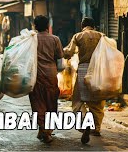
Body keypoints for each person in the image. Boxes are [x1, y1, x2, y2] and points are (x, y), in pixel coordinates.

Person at [64, 17, 105, 144]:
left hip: (83, 69)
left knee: (78, 100)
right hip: (98, 70)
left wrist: (62, 53)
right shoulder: (102, 36)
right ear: (94, 26)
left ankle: (85, 121)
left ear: (82, 26)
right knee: (97, 100)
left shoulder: (78, 36)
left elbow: (69, 52)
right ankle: (96, 128)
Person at [29, 15, 65, 143]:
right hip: (51, 75)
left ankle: (43, 129)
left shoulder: (31, 40)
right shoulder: (55, 39)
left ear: (35, 26)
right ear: (47, 26)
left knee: (38, 103)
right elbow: (60, 61)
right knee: (51, 102)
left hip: (35, 76)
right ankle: (47, 131)